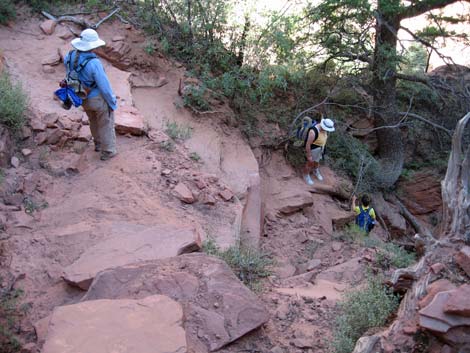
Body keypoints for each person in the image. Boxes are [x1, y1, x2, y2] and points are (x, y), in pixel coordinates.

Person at [64, 28, 117, 161]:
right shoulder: (94, 63)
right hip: (96, 98)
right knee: (105, 122)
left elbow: (69, 73)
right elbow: (104, 86)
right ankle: (108, 151)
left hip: (82, 96)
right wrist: (112, 102)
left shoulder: (70, 56)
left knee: (92, 120)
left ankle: (98, 144)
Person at [303, 117, 335, 185]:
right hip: (313, 149)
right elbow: (308, 144)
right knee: (310, 163)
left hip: (320, 149)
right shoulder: (313, 132)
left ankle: (315, 170)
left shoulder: (324, 129)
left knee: (317, 161)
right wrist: (309, 156)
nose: (327, 130)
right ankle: (306, 175)